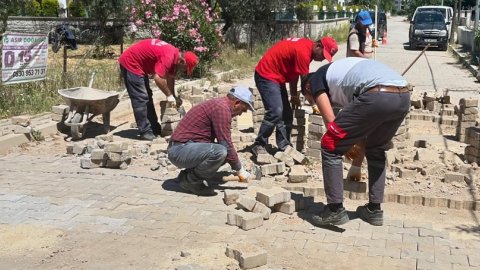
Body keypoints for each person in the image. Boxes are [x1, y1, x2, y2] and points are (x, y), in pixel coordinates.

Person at [301, 57, 411, 226]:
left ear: (308, 87)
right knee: (375, 148)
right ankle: (374, 210)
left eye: (311, 99)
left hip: (376, 95)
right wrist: (356, 165)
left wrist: (342, 145)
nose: (315, 103)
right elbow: (362, 128)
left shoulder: (315, 79)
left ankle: (334, 210)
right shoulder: (341, 78)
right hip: (402, 97)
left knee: (329, 144)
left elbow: (331, 123)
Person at [251, 37, 338, 156]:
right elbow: (305, 84)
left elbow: (294, 74)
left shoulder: (307, 47)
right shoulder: (304, 53)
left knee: (286, 113)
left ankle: (283, 145)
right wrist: (313, 102)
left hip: (276, 76)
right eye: (323, 54)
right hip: (266, 74)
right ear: (318, 46)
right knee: (275, 111)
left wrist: (293, 95)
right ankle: (259, 144)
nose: (322, 58)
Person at [167, 86, 254, 196]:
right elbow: (226, 143)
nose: (241, 113)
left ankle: (187, 175)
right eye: (243, 109)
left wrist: (236, 166)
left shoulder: (220, 105)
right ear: (237, 103)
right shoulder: (222, 109)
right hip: (179, 150)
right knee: (221, 151)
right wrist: (240, 171)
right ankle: (191, 181)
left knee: (225, 154)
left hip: (185, 148)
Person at [118, 39, 198, 141]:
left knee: (148, 95)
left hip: (140, 64)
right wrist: (169, 96)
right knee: (141, 97)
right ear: (182, 61)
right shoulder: (168, 57)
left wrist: (173, 96)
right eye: (184, 68)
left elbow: (170, 78)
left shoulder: (175, 58)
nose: (182, 71)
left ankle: (154, 128)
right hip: (131, 62)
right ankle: (145, 131)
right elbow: (158, 78)